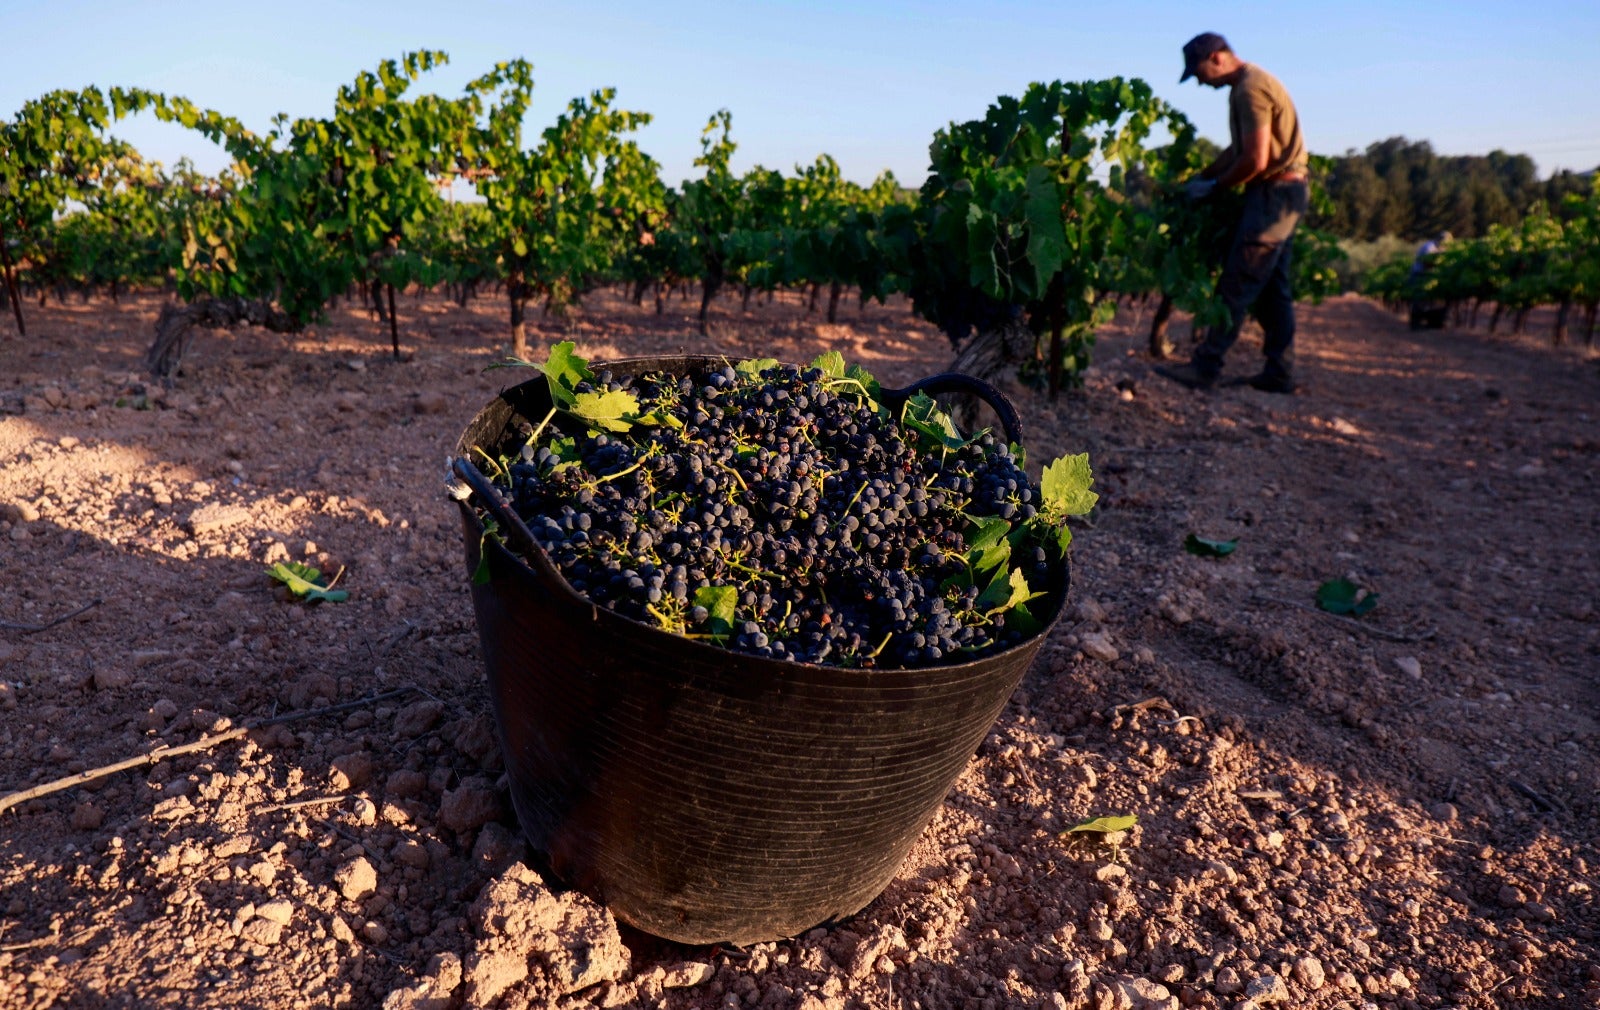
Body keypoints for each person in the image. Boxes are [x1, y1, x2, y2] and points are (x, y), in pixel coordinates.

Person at [1156, 32, 1309, 394]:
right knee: (1274, 288)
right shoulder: (1252, 82)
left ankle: (1206, 367)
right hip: (1286, 193)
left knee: (1239, 280)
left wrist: (1215, 187)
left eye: (1199, 73)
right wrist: (1204, 176)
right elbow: (1240, 149)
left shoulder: (1249, 89)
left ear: (1217, 58)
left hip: (1274, 195)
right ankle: (1280, 371)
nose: (1201, 83)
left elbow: (1254, 160)